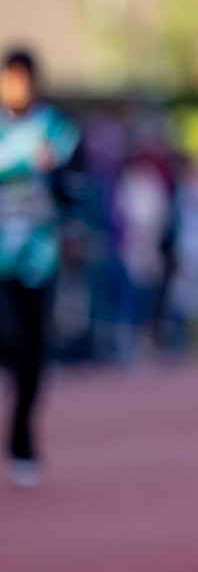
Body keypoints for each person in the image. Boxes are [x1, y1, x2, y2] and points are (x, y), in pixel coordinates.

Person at [0, 50, 82, 488]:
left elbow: (77, 187)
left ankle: (22, 440)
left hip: (37, 258)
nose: (19, 89)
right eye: (11, 80)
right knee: (7, 337)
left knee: (33, 356)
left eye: (25, 80)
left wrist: (58, 181)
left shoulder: (57, 131)